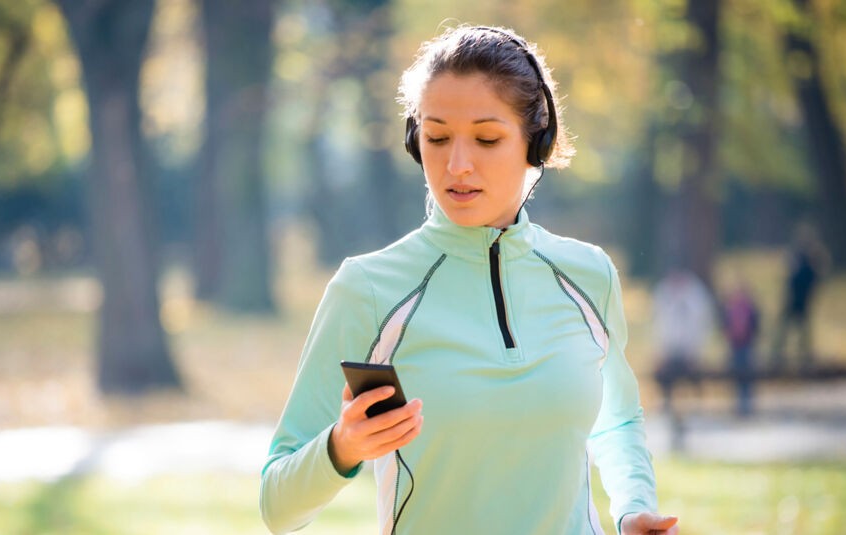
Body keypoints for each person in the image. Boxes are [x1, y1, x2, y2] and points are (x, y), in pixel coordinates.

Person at [260, 25, 678, 535]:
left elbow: (617, 420)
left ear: (537, 143)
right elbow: (277, 506)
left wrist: (633, 506)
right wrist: (340, 448)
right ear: (415, 140)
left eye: (486, 139)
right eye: (437, 138)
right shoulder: (367, 289)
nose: (457, 165)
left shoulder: (589, 275)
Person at [651, 266, 714, 414]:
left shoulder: (695, 293)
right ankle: (667, 402)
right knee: (664, 374)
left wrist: (696, 351)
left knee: (694, 373)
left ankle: (697, 403)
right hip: (670, 349)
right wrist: (660, 351)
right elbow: (659, 324)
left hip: (690, 349)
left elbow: (701, 324)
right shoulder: (663, 292)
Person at [770, 223, 828, 370]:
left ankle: (797, 355)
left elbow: (795, 277)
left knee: (796, 331)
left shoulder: (806, 264)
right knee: (791, 330)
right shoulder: (805, 263)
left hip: (799, 301)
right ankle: (783, 354)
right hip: (796, 301)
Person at [721, 278, 760, 417]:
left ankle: (747, 404)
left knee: (747, 376)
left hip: (746, 345)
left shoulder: (749, 308)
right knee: (736, 376)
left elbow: (755, 325)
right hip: (735, 346)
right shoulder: (731, 308)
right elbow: (725, 325)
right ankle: (739, 404)